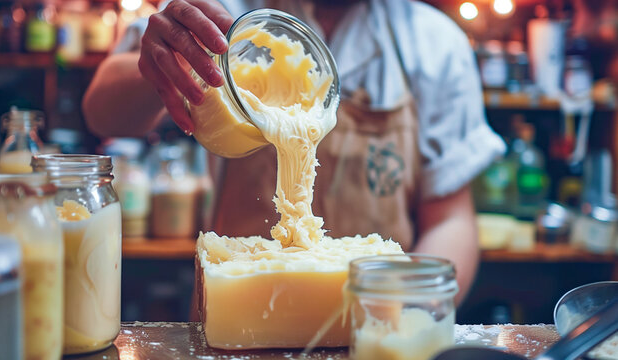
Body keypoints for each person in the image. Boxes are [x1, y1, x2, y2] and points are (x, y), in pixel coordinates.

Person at [83, 0, 506, 305]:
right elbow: (102, 113)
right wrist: (155, 69)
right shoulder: (226, 14)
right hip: (242, 313)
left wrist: (408, 310)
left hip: (372, 323)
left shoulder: (433, 42)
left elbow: (451, 218)